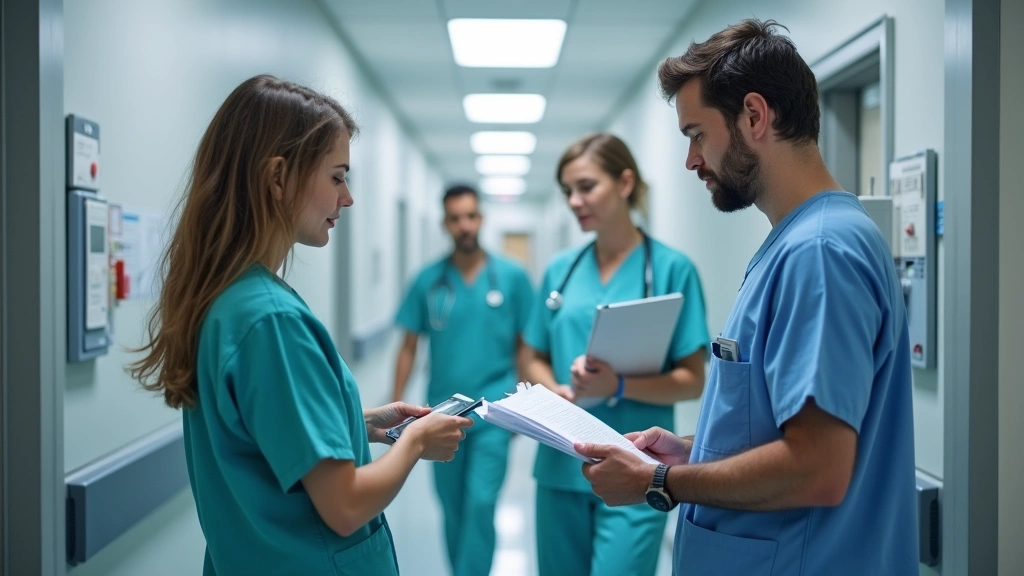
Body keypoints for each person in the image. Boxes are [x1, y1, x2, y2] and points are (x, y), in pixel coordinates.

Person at [574, 19, 918, 576]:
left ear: (755, 116)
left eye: (696, 134)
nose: (691, 160)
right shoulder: (798, 241)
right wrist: (695, 451)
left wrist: (658, 481)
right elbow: (776, 432)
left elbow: (817, 468)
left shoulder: (821, 252)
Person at [128, 75, 473, 576]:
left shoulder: (227, 299)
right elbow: (346, 505)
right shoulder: (271, 320)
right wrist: (417, 442)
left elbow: (264, 436)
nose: (348, 197)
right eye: (336, 177)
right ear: (277, 179)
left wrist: (367, 423)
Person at [521, 132, 709, 576]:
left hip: (636, 467)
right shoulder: (560, 269)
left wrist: (618, 385)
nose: (574, 201)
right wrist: (556, 390)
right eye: (568, 190)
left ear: (625, 183)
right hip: (560, 465)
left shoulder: (670, 269)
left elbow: (693, 379)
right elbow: (530, 355)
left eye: (586, 186)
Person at [391, 184, 535, 576]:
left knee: (481, 503)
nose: (464, 225)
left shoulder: (511, 277)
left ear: (481, 219)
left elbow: (526, 346)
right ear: (445, 224)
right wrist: (395, 403)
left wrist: (522, 404)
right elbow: (408, 345)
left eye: (470, 216)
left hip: (493, 413)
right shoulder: (428, 281)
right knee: (452, 508)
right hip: (439, 415)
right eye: (455, 218)